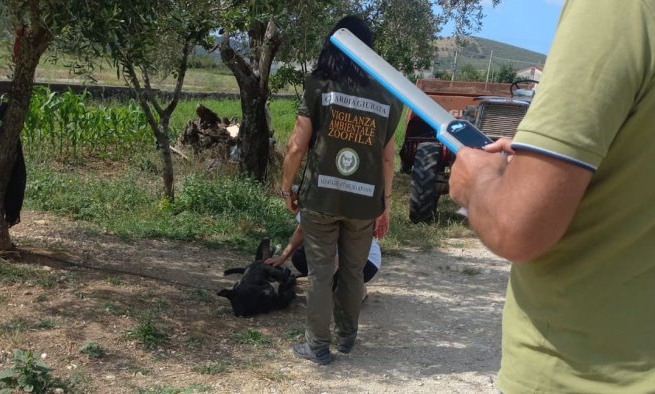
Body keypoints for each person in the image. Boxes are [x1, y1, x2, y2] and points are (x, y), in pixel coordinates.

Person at [448, 0, 655, 392]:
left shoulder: (615, 9)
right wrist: (544, 168)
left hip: (583, 374)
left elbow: (516, 227)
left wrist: (476, 184)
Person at [279, 15, 402, 365]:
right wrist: (385, 204)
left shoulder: (320, 84)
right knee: (351, 271)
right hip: (364, 203)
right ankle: (347, 338)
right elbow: (388, 159)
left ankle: (317, 345)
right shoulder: (387, 95)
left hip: (322, 198)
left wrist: (286, 187)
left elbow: (296, 146)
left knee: (321, 272)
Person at [264, 215, 382, 301]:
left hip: (365, 260)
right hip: (332, 256)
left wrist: (329, 271)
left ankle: (356, 287)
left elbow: (354, 244)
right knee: (299, 257)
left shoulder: (343, 201)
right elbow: (301, 231)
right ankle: (339, 281)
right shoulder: (314, 196)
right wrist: (282, 257)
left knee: (332, 289)